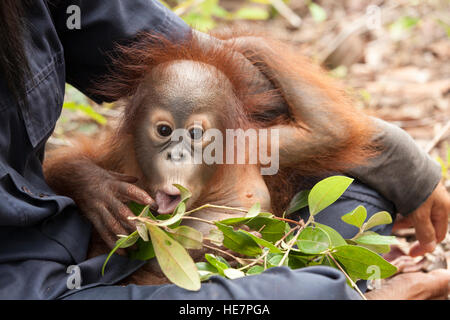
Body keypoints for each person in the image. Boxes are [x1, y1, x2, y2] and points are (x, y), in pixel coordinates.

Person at [0, 0, 449, 300]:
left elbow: (324, 133)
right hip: (68, 283)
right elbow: (72, 165)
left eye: (195, 137)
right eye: (160, 133)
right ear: (131, 130)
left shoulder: (240, 147)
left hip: (249, 268)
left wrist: (395, 152)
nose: (177, 153)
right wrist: (87, 179)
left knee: (361, 195)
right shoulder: (127, 157)